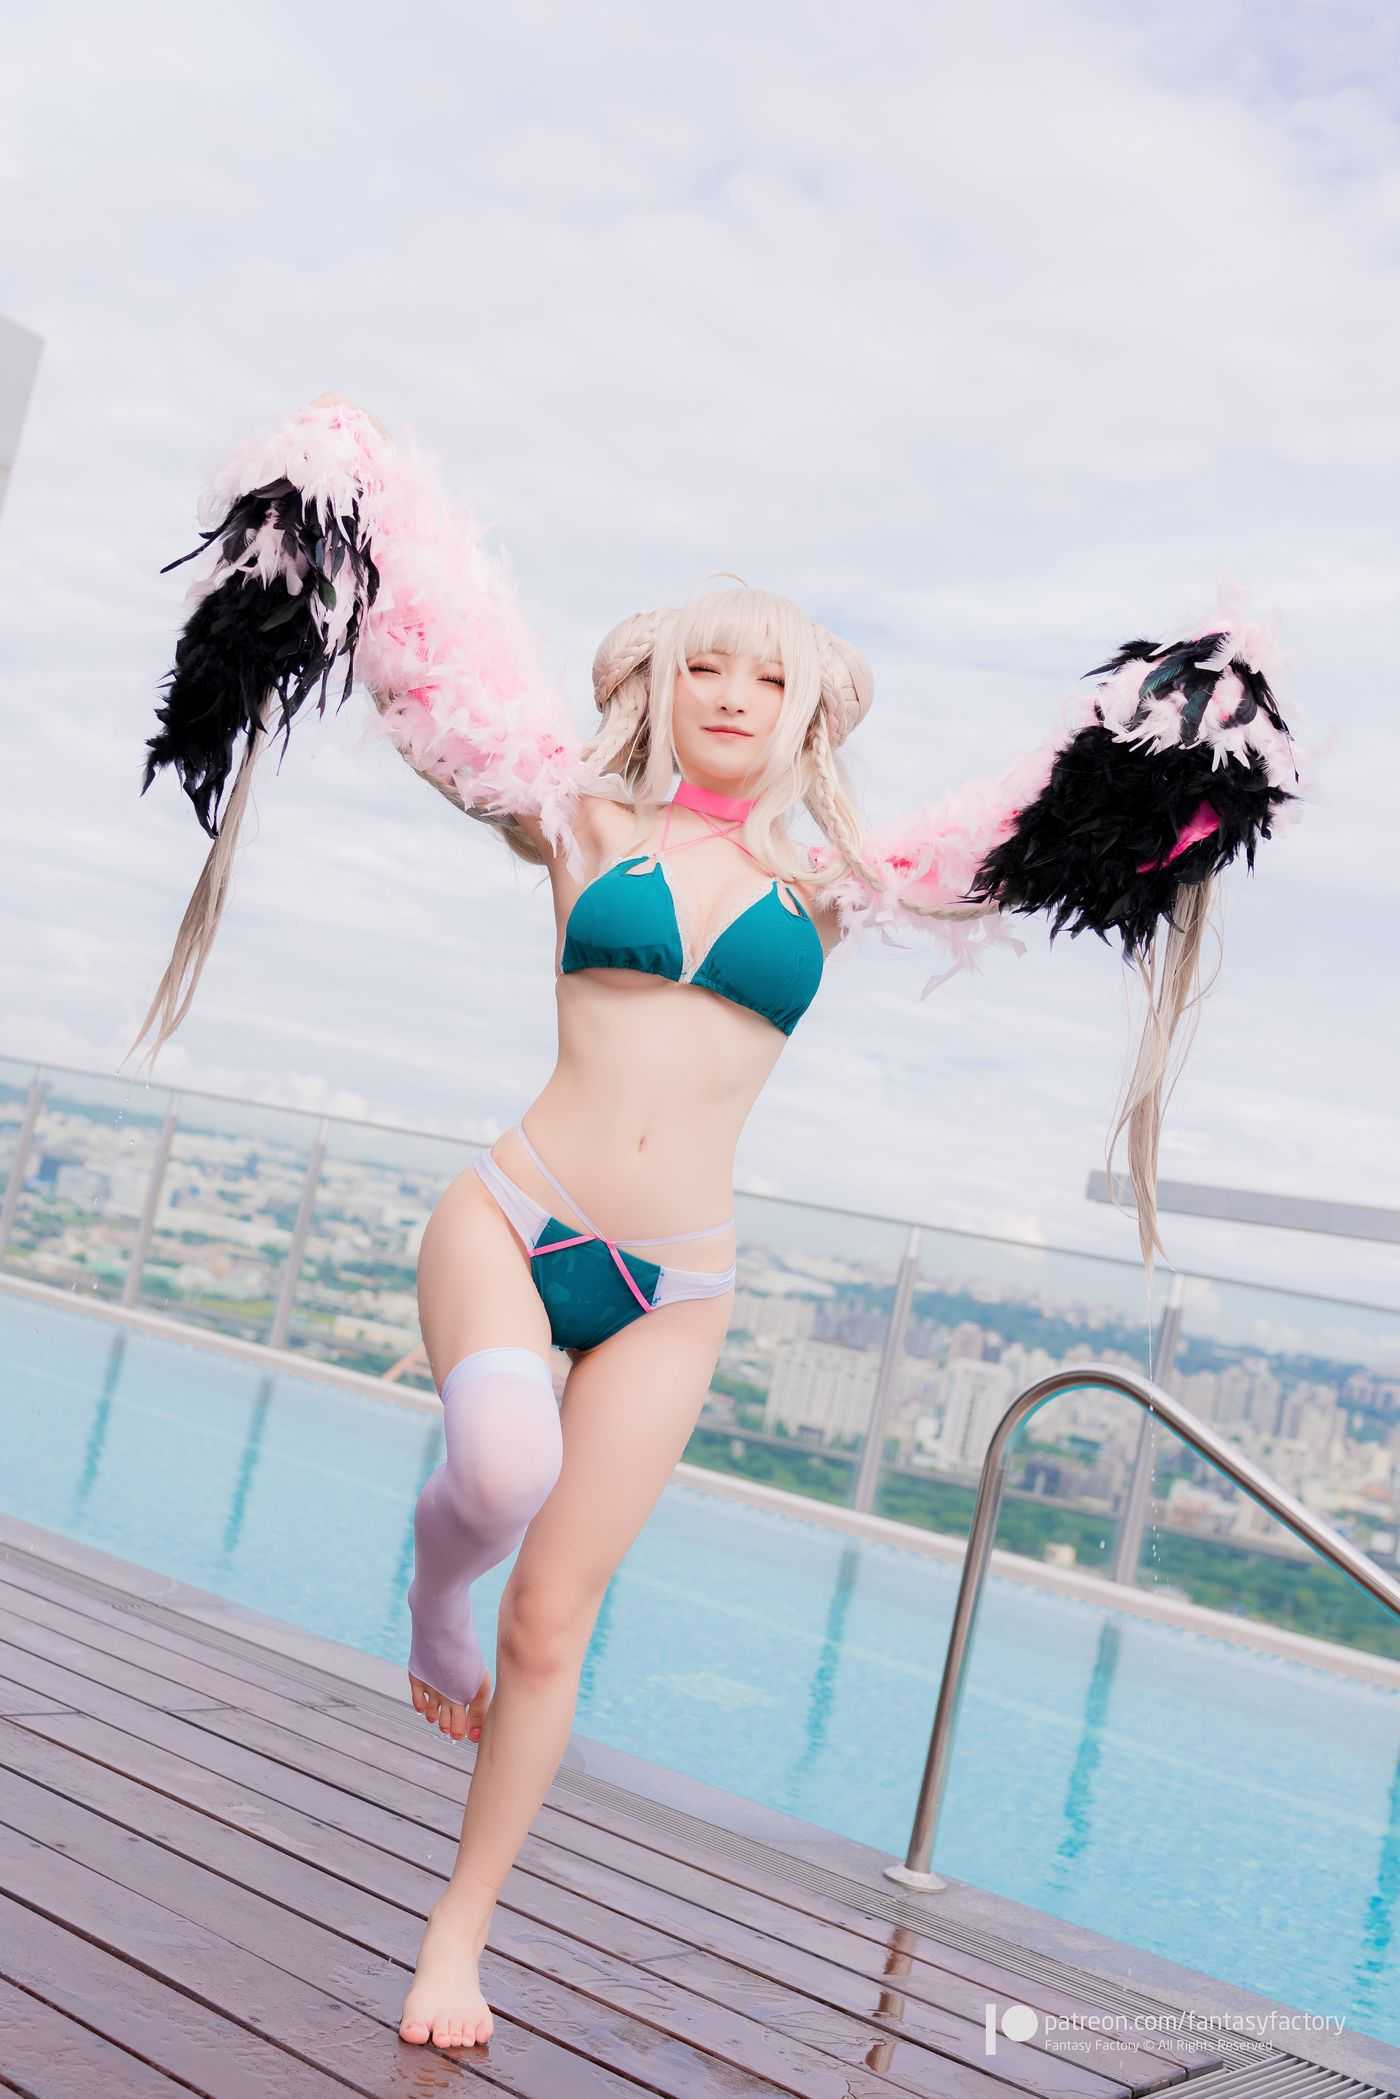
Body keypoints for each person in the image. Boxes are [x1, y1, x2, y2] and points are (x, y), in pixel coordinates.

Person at [127, 394, 1304, 2052]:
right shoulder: (574, 817)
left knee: (557, 1623)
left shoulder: (839, 887)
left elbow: (1056, 845)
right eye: (705, 666)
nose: (733, 695)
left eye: (765, 676)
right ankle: (435, 1592)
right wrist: (339, 504)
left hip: (675, 1290)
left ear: (809, 709)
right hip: (512, 1218)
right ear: (661, 688)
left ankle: (458, 1934)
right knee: (500, 1478)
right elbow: (425, 685)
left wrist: (1201, 737)